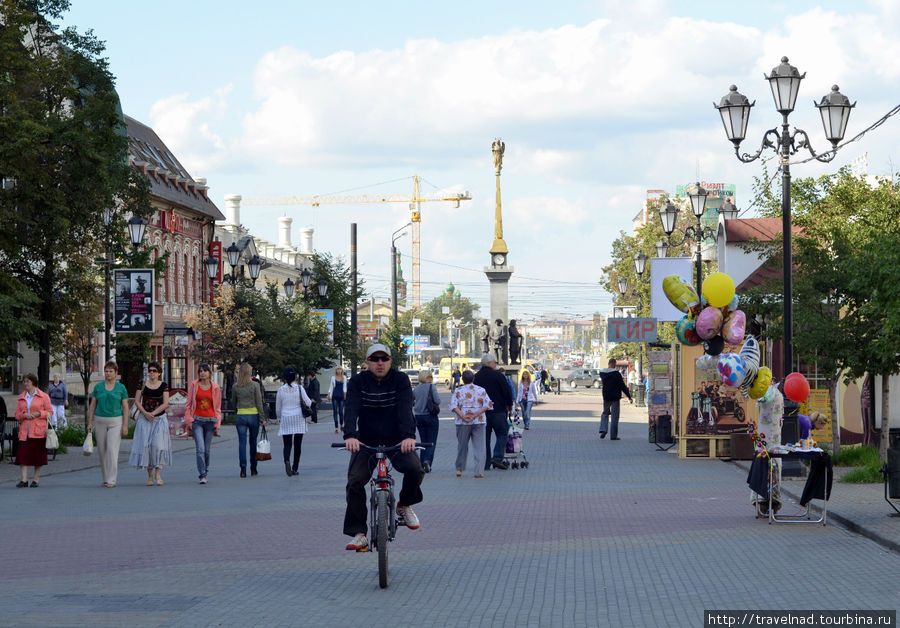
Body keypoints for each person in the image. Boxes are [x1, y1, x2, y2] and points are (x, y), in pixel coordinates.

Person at [342, 343, 424, 551]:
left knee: (415, 469)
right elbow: (351, 409)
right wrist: (350, 436)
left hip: (397, 440)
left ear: (390, 361)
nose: (380, 363)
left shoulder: (401, 380)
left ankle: (404, 505)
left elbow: (406, 409)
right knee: (354, 481)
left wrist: (408, 437)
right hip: (366, 441)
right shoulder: (357, 382)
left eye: (384, 359)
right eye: (375, 359)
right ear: (367, 362)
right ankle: (359, 533)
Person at [87, 361, 130, 488]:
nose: (108, 373)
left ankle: (112, 479)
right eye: (106, 371)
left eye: (111, 371)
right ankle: (105, 477)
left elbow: (125, 407)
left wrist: (125, 425)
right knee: (102, 451)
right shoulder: (98, 387)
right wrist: (89, 422)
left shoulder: (121, 388)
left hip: (115, 421)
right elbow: (93, 405)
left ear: (116, 373)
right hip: (100, 420)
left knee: (112, 449)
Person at [129, 361, 172, 486]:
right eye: (150, 370)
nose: (151, 373)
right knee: (146, 446)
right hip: (144, 419)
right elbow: (137, 401)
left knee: (158, 446)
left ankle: (158, 474)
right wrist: (145, 413)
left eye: (154, 371)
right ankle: (149, 476)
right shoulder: (142, 384)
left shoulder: (164, 385)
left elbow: (166, 403)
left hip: (159, 419)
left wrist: (153, 413)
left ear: (159, 373)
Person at [473, 353, 513, 470]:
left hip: (481, 412)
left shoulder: (477, 376)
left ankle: (486, 463)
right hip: (498, 410)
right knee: (502, 433)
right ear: (490, 363)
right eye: (495, 362)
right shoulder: (498, 375)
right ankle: (497, 458)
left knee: (485, 438)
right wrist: (509, 404)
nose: (496, 364)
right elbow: (507, 390)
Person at [184, 363, 222, 485]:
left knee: (206, 450)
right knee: (200, 449)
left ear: (210, 373)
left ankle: (206, 469)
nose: (202, 373)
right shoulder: (194, 385)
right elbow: (188, 404)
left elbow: (217, 407)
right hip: (197, 421)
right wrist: (189, 419)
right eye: (200, 371)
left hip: (210, 421)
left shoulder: (215, 387)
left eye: (205, 370)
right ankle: (202, 474)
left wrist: (218, 423)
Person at [449, 369, 491, 477]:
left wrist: (463, 416)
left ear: (462, 379)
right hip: (479, 421)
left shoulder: (458, 390)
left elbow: (453, 406)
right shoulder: (481, 390)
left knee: (462, 445)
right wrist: (475, 414)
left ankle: (459, 469)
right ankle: (479, 471)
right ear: (473, 379)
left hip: (462, 422)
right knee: (479, 447)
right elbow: (488, 405)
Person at [14, 373, 52, 488]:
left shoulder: (43, 396)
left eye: (28, 381)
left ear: (34, 383)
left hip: (39, 432)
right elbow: (16, 415)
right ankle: (24, 480)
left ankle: (35, 480)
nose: (25, 384)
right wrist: (24, 415)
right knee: (22, 456)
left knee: (38, 458)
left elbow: (50, 412)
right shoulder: (22, 397)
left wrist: (39, 413)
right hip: (25, 431)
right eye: (24, 381)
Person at [232, 362, 266, 478]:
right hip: (253, 416)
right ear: (249, 373)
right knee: (253, 442)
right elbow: (259, 403)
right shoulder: (255, 385)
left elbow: (233, 402)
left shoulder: (236, 386)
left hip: (241, 415)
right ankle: (253, 468)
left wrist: (237, 411)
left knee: (242, 443)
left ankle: (243, 468)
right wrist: (262, 418)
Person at [277, 367, 312, 477]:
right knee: (298, 445)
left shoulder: (281, 389)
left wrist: (279, 418)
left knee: (287, 444)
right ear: (294, 377)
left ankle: (286, 460)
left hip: (286, 418)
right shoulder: (300, 388)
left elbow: (278, 408)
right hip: (298, 418)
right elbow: (308, 403)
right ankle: (295, 467)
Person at [412, 369, 440, 473]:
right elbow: (437, 401)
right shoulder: (431, 387)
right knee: (431, 441)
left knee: (423, 441)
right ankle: (427, 461)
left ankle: (421, 464)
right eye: (430, 377)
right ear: (428, 378)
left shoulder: (416, 389)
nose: (431, 379)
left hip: (419, 417)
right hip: (430, 416)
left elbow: (411, 402)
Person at [597, 358, 633, 440]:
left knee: (605, 413)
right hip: (615, 397)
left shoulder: (602, 373)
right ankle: (613, 436)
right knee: (615, 416)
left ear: (608, 363)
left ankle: (603, 429)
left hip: (606, 396)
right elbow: (622, 386)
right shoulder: (616, 374)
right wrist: (629, 396)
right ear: (613, 364)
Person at [327, 366, 347, 433]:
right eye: (337, 369)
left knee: (341, 411)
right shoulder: (333, 377)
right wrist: (329, 394)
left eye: (340, 369)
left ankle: (341, 424)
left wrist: (345, 395)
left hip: (341, 396)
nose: (339, 370)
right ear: (336, 370)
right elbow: (331, 386)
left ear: (342, 370)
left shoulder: (344, 378)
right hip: (335, 396)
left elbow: (345, 387)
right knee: (335, 411)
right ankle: (336, 427)